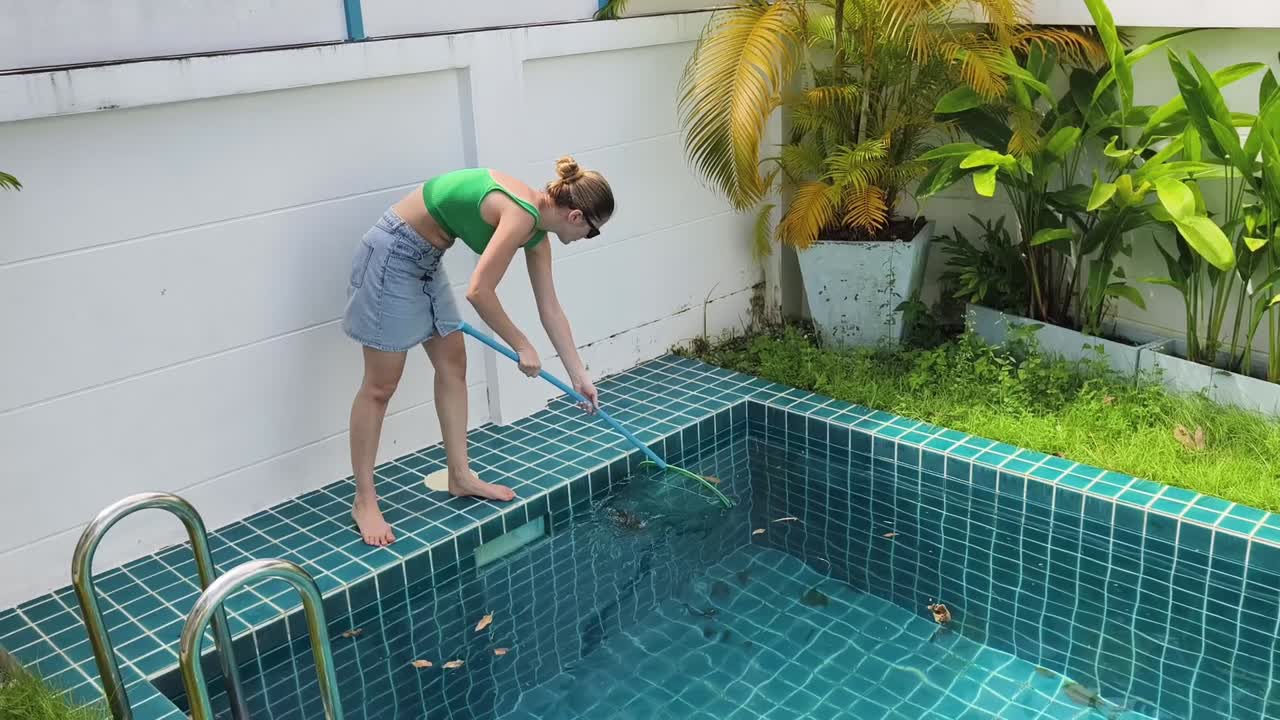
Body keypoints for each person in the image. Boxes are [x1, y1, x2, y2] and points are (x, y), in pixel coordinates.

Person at [342, 157, 614, 546]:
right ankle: (364, 500)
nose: (588, 237)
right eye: (593, 232)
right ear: (575, 216)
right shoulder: (521, 214)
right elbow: (478, 291)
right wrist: (521, 344)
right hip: (393, 254)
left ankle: (460, 475)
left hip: (425, 258)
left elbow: (550, 309)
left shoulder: (537, 232)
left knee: (453, 364)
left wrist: (579, 377)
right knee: (381, 385)